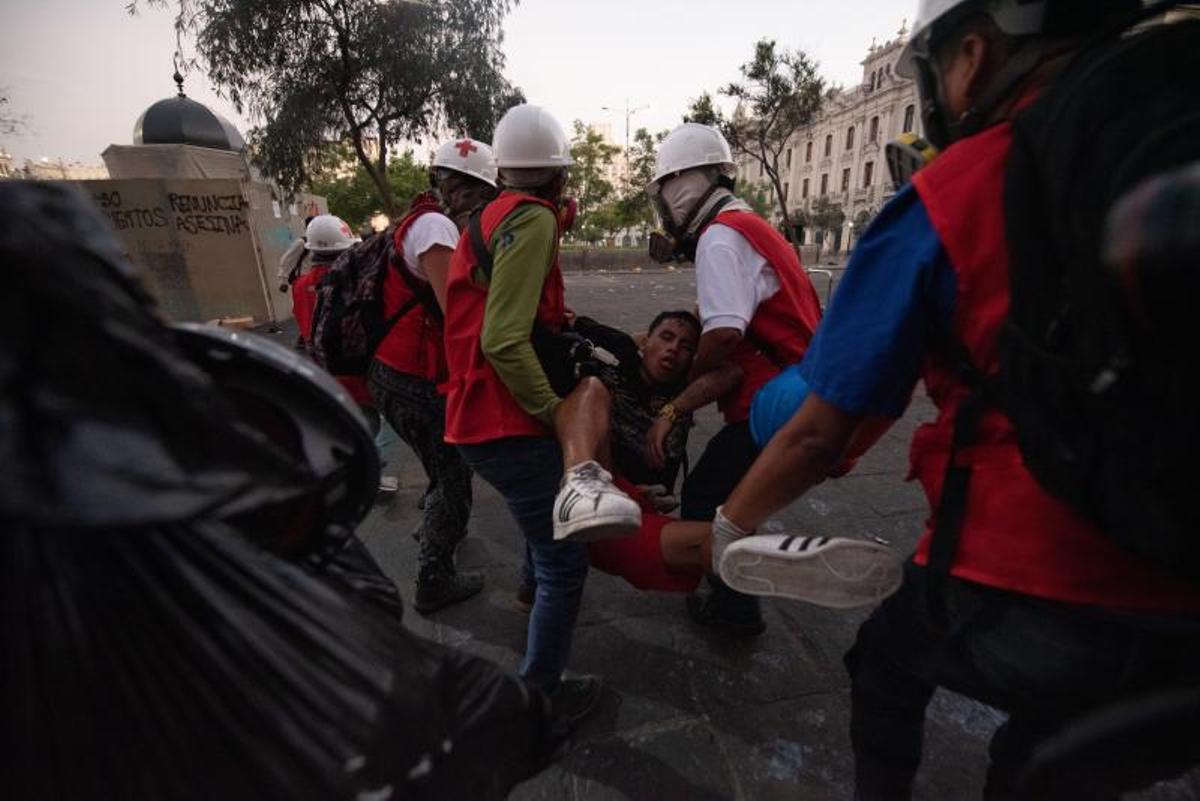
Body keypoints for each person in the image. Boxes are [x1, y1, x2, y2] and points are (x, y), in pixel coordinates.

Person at [709, 1, 1200, 797]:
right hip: (1182, 594)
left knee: (887, 663)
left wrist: (729, 528)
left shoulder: (953, 192)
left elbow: (822, 431)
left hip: (1030, 567)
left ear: (971, 54)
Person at [1, 180, 565, 801]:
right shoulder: (197, 480)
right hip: (363, 386)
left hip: (339, 381)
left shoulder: (306, 283)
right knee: (426, 472)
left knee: (381, 454)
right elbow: (371, 614)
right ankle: (432, 567)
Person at [442, 103, 638, 722]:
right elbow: (502, 337)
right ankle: (539, 700)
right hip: (503, 419)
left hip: (475, 413)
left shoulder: (490, 217)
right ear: (558, 176)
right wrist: (554, 410)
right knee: (565, 563)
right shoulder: (532, 222)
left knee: (543, 524)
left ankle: (529, 592)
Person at [646, 122, 824, 636]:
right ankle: (738, 595)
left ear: (681, 184)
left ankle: (735, 610)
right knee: (737, 498)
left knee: (706, 497)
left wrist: (684, 387)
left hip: (773, 398)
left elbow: (723, 333)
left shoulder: (720, 238)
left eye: (664, 192)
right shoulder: (748, 224)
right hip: (797, 386)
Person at [367, 137, 498, 614]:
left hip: (390, 372)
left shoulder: (416, 222)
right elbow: (455, 313)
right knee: (455, 476)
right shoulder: (437, 230)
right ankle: (433, 577)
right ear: (462, 190)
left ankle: (434, 529)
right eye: (483, 197)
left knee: (438, 465)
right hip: (413, 375)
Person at [278, 214, 315, 348]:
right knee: (303, 311)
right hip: (303, 283)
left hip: (316, 281)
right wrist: (282, 280)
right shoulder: (302, 243)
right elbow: (286, 260)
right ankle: (305, 338)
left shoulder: (321, 242)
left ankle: (306, 336)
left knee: (316, 310)